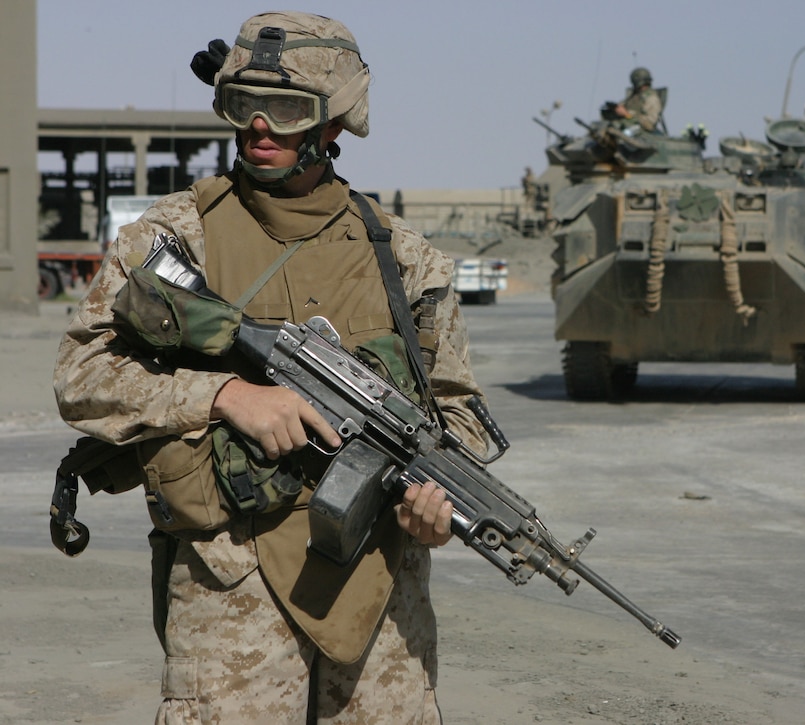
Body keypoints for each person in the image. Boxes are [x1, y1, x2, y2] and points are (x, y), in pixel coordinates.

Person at [53, 11, 487, 724]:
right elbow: (81, 375)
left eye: (285, 110)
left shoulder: (406, 259)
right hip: (231, 592)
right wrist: (224, 394)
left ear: (334, 125)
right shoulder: (174, 238)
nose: (258, 125)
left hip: (381, 597)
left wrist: (439, 504)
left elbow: (457, 411)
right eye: (242, 104)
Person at [612, 67, 663, 133]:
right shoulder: (633, 96)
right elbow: (622, 106)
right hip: (625, 126)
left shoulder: (652, 99)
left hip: (639, 132)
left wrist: (628, 115)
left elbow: (649, 124)